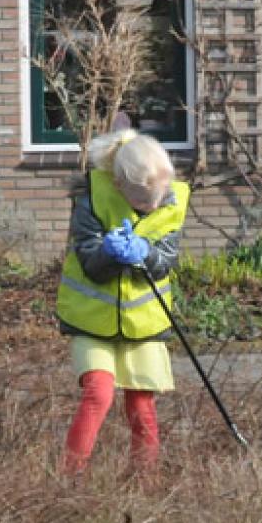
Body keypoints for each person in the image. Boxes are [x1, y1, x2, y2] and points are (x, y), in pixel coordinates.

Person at [55, 129, 190, 478]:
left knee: (141, 403)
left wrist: (145, 255)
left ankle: (144, 481)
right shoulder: (90, 202)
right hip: (92, 322)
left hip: (144, 324)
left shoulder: (171, 203)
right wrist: (109, 253)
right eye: (145, 203)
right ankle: (68, 478)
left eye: (159, 199)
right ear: (118, 186)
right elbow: (92, 267)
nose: (155, 207)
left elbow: (166, 261)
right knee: (98, 394)